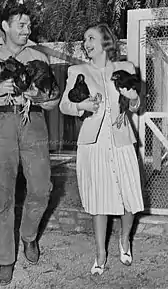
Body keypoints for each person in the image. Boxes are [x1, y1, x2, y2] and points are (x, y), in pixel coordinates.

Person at [0, 3, 60, 286]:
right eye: (21, 24)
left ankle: (29, 236)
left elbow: (54, 99)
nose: (26, 29)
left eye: (29, 25)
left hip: (33, 123)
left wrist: (39, 96)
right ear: (5, 26)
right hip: (2, 124)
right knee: (2, 193)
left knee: (42, 188)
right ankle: (5, 259)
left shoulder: (38, 56)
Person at [59, 23, 144, 275]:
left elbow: (136, 104)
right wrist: (82, 105)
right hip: (92, 144)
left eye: (91, 37)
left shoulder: (125, 68)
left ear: (106, 41)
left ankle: (125, 240)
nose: (86, 43)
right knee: (99, 201)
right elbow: (64, 104)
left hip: (121, 140)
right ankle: (100, 254)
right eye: (84, 39)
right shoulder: (77, 71)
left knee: (130, 195)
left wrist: (133, 98)